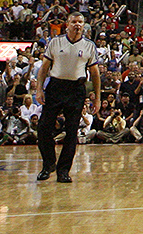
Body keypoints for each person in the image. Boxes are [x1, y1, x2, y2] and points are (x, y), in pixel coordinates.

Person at [35, 12, 101, 183]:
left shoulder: (89, 46)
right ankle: (48, 164)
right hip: (55, 87)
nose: (77, 25)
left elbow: (95, 74)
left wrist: (97, 98)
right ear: (67, 23)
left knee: (72, 132)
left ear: (84, 25)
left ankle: (63, 170)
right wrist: (39, 89)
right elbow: (44, 68)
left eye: (80, 22)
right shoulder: (55, 42)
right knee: (43, 128)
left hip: (76, 89)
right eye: (74, 21)